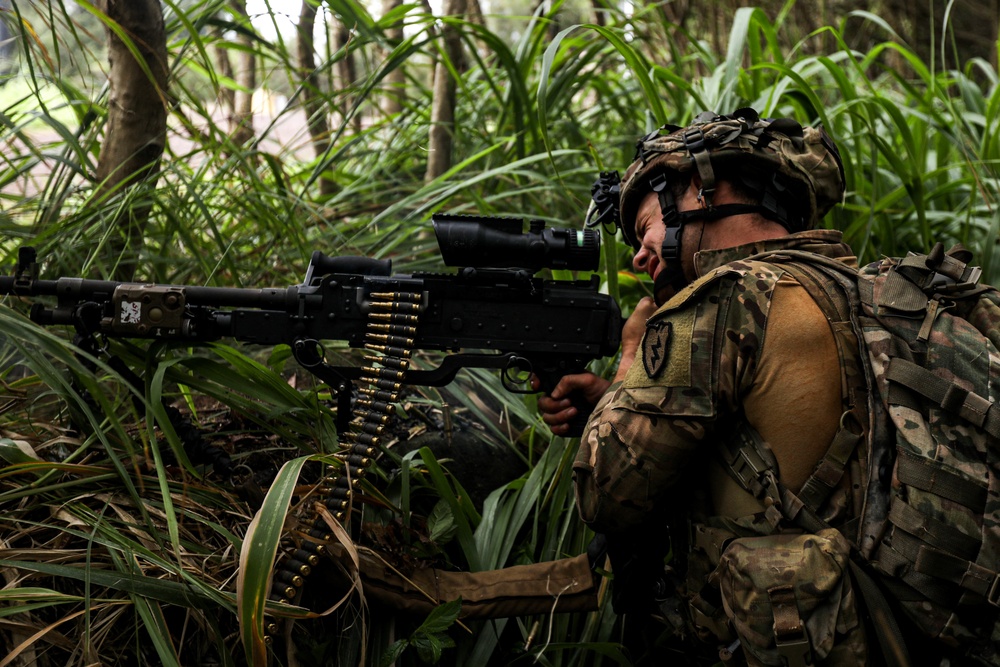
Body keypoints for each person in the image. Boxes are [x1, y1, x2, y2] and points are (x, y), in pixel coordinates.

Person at [539, 109, 872, 665]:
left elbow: (604, 494)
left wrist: (630, 360)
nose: (641, 256)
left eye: (645, 230)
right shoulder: (886, 293)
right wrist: (611, 399)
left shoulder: (724, 303)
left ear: (699, 191)